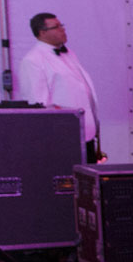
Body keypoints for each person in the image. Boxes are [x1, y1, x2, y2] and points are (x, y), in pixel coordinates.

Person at [15, 11, 105, 162]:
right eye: (56, 27)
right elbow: (37, 105)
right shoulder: (33, 60)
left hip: (86, 133)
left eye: (61, 25)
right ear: (42, 33)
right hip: (64, 137)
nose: (62, 29)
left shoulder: (69, 53)